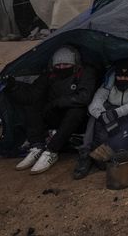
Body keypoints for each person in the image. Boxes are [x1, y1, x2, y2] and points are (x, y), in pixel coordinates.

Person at [14, 45, 99, 174]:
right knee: (34, 104)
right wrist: (13, 88)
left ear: (75, 63)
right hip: (55, 116)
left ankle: (52, 151)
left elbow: (84, 97)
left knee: (77, 110)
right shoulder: (50, 75)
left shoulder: (85, 72)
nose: (61, 68)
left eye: (66, 64)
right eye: (58, 65)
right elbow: (32, 95)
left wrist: (58, 102)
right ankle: (37, 145)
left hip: (78, 121)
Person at [73, 58, 128, 179]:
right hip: (111, 108)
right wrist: (102, 116)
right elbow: (96, 102)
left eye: (127, 77)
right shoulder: (110, 79)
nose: (123, 79)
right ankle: (86, 154)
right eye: (120, 77)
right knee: (93, 117)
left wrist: (116, 113)